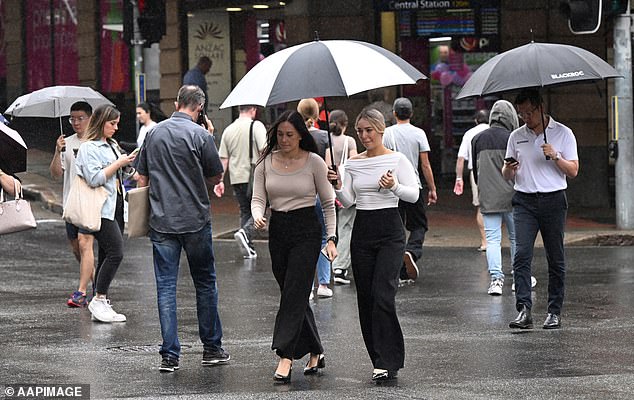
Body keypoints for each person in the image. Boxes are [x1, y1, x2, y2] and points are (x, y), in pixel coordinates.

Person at [136, 85, 229, 373]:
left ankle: (170, 355)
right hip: (195, 220)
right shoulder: (201, 135)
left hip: (162, 220)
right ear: (200, 108)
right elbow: (216, 175)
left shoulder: (154, 133)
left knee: (165, 287)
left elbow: (141, 175)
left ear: (177, 103)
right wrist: (209, 138)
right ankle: (212, 348)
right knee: (205, 282)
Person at [328, 108, 419, 381]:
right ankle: (377, 359)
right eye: (360, 131)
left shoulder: (397, 159)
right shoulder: (354, 162)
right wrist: (336, 184)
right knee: (365, 297)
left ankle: (390, 358)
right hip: (363, 230)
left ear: (381, 130)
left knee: (383, 294)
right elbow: (348, 201)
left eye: (369, 130)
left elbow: (413, 195)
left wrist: (393, 187)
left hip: (390, 230)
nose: (364, 135)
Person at [251, 110, 337, 383]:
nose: (284, 139)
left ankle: (285, 355)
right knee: (293, 293)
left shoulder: (314, 162)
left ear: (301, 135)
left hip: (306, 231)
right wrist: (257, 215)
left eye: (290, 134)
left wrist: (332, 238)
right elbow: (257, 198)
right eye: (280, 134)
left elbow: (328, 204)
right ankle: (315, 349)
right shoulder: (265, 162)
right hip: (278, 230)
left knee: (293, 292)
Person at [503, 88, 579, 330]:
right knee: (521, 255)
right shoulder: (516, 136)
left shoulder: (563, 133)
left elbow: (574, 170)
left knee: (555, 258)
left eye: (529, 112)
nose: (525, 118)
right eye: (521, 113)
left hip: (553, 200)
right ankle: (524, 309)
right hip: (524, 200)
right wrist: (510, 169)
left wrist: (555, 156)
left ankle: (554, 311)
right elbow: (506, 174)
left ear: (540, 107)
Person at [75, 105, 136, 322]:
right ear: (101, 123)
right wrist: (117, 163)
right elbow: (94, 178)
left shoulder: (112, 145)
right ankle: (99, 298)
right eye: (112, 124)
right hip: (99, 207)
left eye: (117, 123)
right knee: (116, 253)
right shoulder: (88, 148)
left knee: (105, 254)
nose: (116, 128)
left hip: (116, 205)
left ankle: (101, 301)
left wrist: (127, 164)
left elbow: (121, 173)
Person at [383, 98, 437, 284]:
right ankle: (412, 251)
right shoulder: (419, 133)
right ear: (411, 114)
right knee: (419, 225)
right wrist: (432, 188)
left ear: (394, 114)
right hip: (414, 186)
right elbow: (425, 164)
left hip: (392, 187)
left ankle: (398, 271)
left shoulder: (387, 133)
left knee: (395, 229)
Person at [471, 100, 519, 295]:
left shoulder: (477, 139)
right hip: (513, 196)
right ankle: (519, 277)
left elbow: (475, 172)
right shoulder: (513, 137)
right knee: (517, 238)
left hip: (489, 196)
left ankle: (496, 280)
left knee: (492, 239)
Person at [49, 101, 94, 308]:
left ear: (90, 118)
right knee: (77, 248)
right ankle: (99, 285)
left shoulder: (97, 142)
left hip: (90, 203)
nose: (76, 122)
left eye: (80, 118)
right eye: (72, 119)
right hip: (70, 204)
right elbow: (56, 175)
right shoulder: (65, 143)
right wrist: (58, 152)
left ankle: (81, 293)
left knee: (86, 244)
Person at [214, 105, 267, 259]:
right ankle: (246, 233)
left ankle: (248, 246)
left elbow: (223, 158)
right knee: (261, 208)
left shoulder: (229, 130)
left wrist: (220, 180)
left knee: (245, 210)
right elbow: (264, 149)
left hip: (237, 178)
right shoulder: (256, 126)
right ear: (253, 110)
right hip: (254, 176)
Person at [297, 98, 333, 298]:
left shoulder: (295, 137)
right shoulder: (324, 138)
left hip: (300, 193)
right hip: (320, 192)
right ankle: (324, 284)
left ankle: (307, 286)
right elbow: (328, 169)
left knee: (303, 239)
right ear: (317, 114)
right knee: (322, 237)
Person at [325, 109, 357, 285]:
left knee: (331, 228)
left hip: (329, 189)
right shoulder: (349, 141)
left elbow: (325, 166)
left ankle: (328, 264)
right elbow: (353, 164)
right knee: (346, 228)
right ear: (345, 124)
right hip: (344, 189)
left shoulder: (327, 141)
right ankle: (340, 267)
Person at [454, 109, 489, 252]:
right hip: (497, 172)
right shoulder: (496, 131)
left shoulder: (469, 134)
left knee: (480, 207)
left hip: (476, 172)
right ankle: (495, 240)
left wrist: (459, 178)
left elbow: (461, 158)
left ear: (476, 120)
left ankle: (484, 241)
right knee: (498, 206)